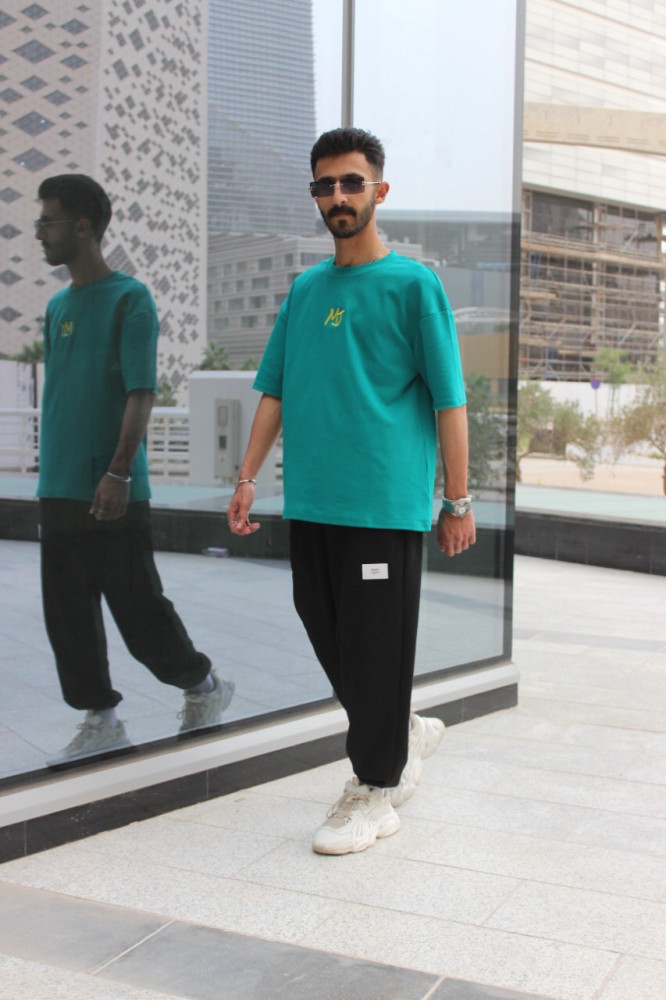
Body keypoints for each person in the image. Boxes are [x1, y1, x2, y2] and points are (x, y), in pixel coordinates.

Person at [227, 128, 476, 855]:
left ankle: (375, 790)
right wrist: (247, 476)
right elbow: (275, 390)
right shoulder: (307, 290)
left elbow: (450, 402)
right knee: (326, 627)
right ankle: (400, 729)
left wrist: (457, 500)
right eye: (325, 185)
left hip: (382, 503)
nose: (337, 196)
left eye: (351, 183)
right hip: (313, 499)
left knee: (373, 644)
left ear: (378, 191)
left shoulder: (414, 285)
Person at [35, 173, 234, 766]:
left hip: (113, 488)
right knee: (67, 615)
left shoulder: (131, 299)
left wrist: (119, 472)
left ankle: (203, 685)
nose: (38, 232)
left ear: (82, 226)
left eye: (47, 221)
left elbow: (141, 392)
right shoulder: (57, 306)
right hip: (59, 486)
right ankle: (102, 720)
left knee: (139, 611)